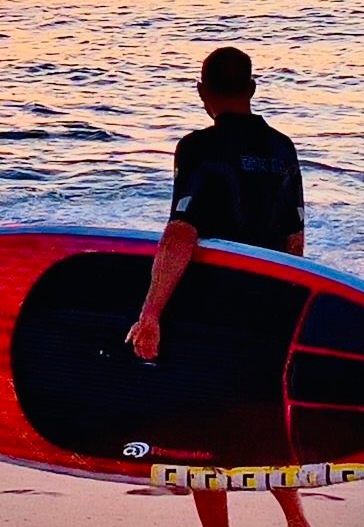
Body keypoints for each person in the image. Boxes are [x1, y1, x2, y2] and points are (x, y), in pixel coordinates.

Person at [127, 46, 311, 527]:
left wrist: (150, 313)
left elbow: (181, 233)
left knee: (200, 434)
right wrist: (286, 309)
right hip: (268, 309)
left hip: (209, 312)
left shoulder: (197, 148)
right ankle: (296, 521)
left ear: (203, 93)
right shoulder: (282, 148)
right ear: (250, 90)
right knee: (262, 419)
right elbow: (295, 239)